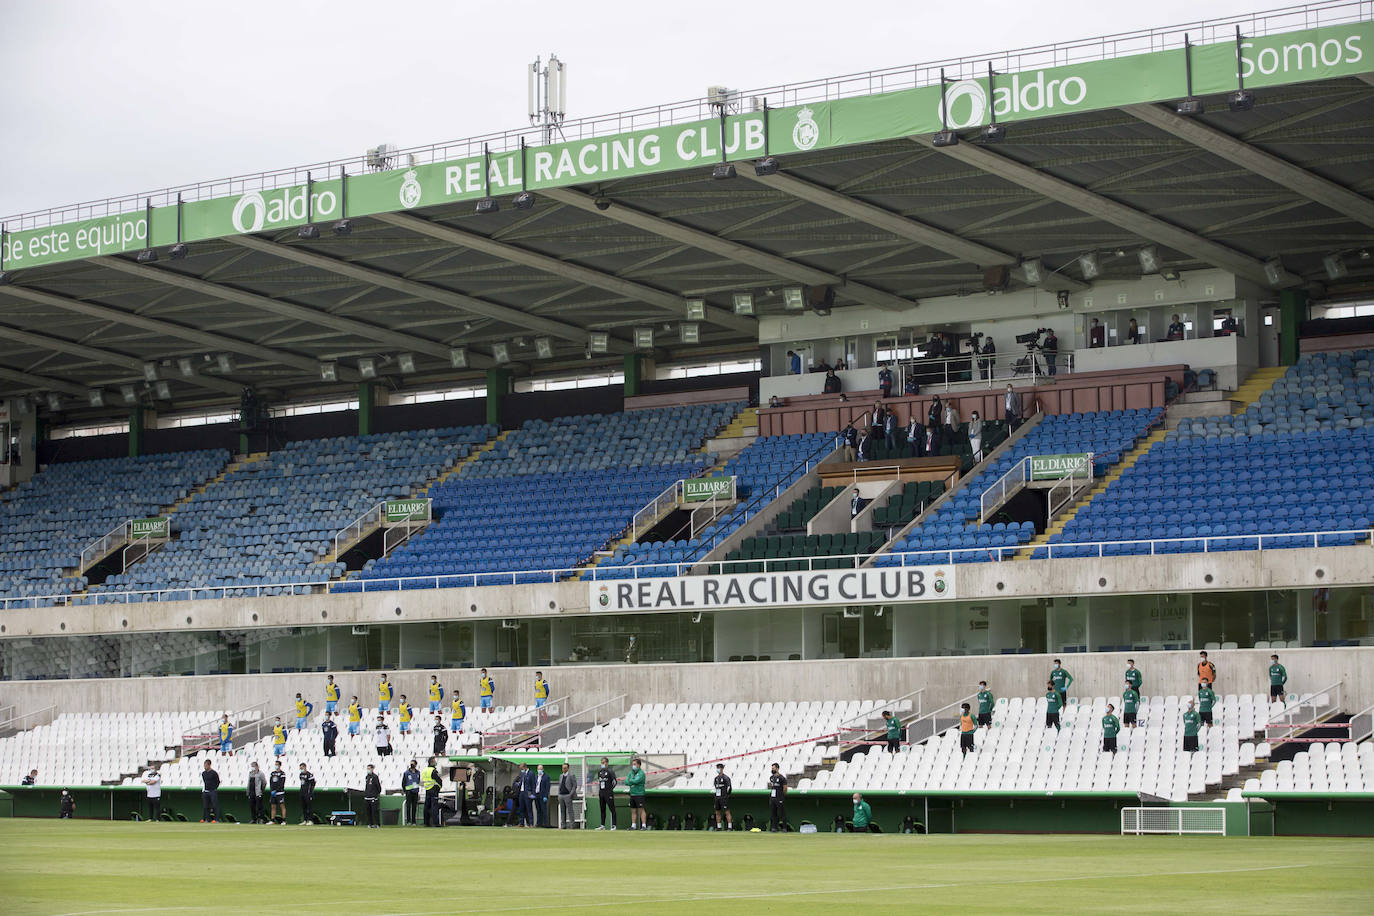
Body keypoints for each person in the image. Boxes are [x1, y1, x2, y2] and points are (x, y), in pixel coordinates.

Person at [625, 757, 648, 830]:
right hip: (632, 794)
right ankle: (633, 826)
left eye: (634, 764)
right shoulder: (631, 772)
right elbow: (626, 782)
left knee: (641, 810)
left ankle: (644, 825)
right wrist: (631, 781)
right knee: (633, 810)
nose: (633, 766)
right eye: (632, 764)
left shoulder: (641, 773)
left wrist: (631, 780)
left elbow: (636, 781)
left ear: (638, 765)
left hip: (639, 794)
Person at [596, 757, 618, 830]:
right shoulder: (599, 772)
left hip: (608, 793)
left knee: (612, 809)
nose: (603, 764)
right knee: (602, 809)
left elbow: (614, 782)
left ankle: (614, 825)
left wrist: (610, 789)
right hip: (601, 792)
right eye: (602, 762)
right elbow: (599, 782)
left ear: (607, 763)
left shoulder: (610, 771)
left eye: (604, 762)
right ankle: (602, 825)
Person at [422, 756, 443, 828]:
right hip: (433, 789)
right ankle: (435, 823)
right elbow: (438, 780)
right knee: (434, 806)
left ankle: (426, 822)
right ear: (432, 762)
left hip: (427, 789)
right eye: (434, 761)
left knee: (427, 806)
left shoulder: (425, 770)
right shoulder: (433, 770)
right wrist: (439, 786)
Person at [712, 763, 733, 831]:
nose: (718, 769)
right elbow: (715, 787)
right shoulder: (716, 778)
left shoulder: (726, 778)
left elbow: (729, 788)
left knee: (727, 812)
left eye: (719, 768)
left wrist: (727, 795)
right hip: (717, 797)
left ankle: (730, 827)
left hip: (724, 797)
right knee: (717, 812)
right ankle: (719, 827)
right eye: (717, 768)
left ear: (722, 769)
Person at [768, 762, 788, 832]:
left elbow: (785, 788)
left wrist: (782, 796)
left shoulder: (782, 778)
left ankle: (784, 828)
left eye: (773, 768)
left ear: (777, 768)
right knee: (773, 813)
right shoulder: (771, 778)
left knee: (782, 813)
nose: (772, 769)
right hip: (772, 798)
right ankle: (774, 828)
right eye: (772, 768)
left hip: (779, 797)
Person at [558, 763, 578, 829]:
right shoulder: (561, 776)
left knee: (570, 811)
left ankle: (572, 825)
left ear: (568, 768)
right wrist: (559, 794)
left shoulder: (571, 775)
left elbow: (574, 785)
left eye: (565, 768)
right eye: (563, 768)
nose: (563, 769)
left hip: (567, 795)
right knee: (562, 811)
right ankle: (563, 825)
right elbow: (560, 785)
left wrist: (570, 794)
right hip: (561, 795)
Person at [402, 760, 421, 826]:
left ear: (415, 765)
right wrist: (406, 791)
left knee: (414, 807)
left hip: (415, 792)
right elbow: (403, 782)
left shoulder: (418, 772)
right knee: (408, 807)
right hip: (409, 792)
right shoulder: (406, 773)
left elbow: (418, 781)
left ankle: (414, 821)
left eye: (413, 764)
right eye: (411, 764)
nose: (411, 765)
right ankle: (408, 821)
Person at [516, 762, 535, 827]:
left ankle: (531, 823)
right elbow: (520, 782)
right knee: (521, 808)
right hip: (521, 792)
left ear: (524, 767)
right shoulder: (522, 773)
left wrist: (533, 794)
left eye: (522, 768)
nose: (521, 770)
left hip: (528, 792)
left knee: (529, 808)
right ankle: (521, 823)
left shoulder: (531, 773)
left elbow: (533, 784)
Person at [364, 764, 382, 829]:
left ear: (372, 769)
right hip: (367, 797)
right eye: (367, 768)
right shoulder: (367, 777)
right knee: (368, 812)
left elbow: (378, 787)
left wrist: (376, 794)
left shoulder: (375, 777)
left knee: (375, 811)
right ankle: (370, 824)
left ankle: (377, 824)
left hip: (373, 797)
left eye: (369, 768)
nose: (368, 770)